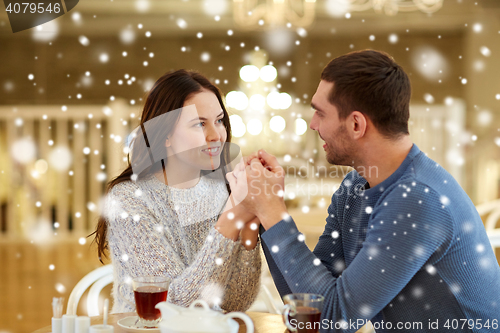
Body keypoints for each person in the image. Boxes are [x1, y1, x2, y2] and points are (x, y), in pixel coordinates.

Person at [227, 50, 500, 332]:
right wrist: (265, 207)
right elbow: (308, 302)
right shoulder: (354, 188)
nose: (312, 124)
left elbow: (332, 319)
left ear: (356, 124)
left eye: (320, 113)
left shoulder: (417, 198)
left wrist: (271, 211)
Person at [92, 69, 261, 314]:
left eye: (219, 120)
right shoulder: (129, 200)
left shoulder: (222, 191)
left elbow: (236, 303)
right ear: (166, 135)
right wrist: (231, 219)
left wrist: (250, 222)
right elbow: (170, 308)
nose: (216, 135)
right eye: (199, 124)